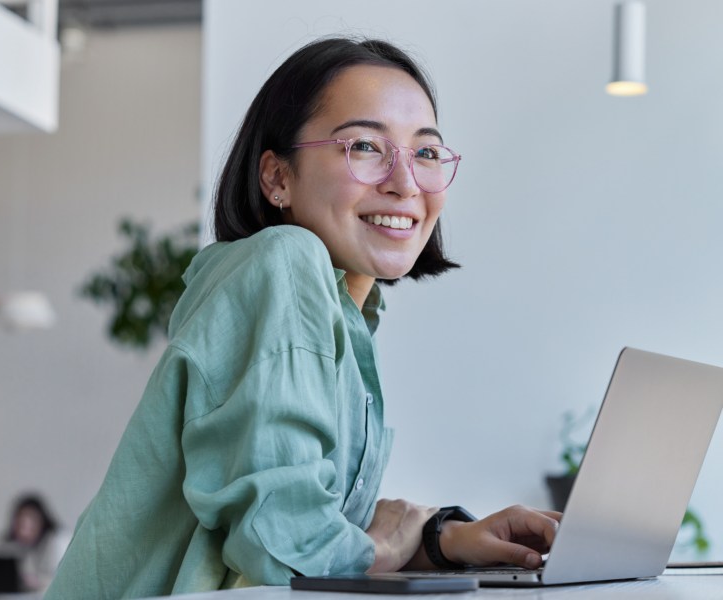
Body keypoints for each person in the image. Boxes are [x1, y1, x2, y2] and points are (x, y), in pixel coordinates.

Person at [44, 37, 560, 599]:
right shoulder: (284, 262)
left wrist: (443, 539)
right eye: (364, 146)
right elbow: (287, 548)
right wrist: (386, 547)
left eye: (427, 153)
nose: (406, 183)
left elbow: (304, 522)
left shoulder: (347, 313)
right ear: (277, 179)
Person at [0, 493, 70, 591]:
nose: (24, 532)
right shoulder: (26, 546)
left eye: (30, 524)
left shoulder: (59, 541)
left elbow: (64, 581)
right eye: (20, 524)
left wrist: (37, 582)